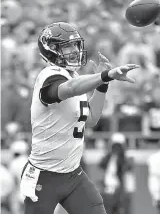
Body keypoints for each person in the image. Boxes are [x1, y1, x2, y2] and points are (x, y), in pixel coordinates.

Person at [20, 22, 139, 214]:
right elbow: (70, 89)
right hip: (44, 176)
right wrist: (105, 75)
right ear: (51, 50)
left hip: (73, 174)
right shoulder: (49, 75)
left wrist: (102, 85)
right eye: (67, 46)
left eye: (75, 45)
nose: (74, 50)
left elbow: (91, 119)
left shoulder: (72, 75)